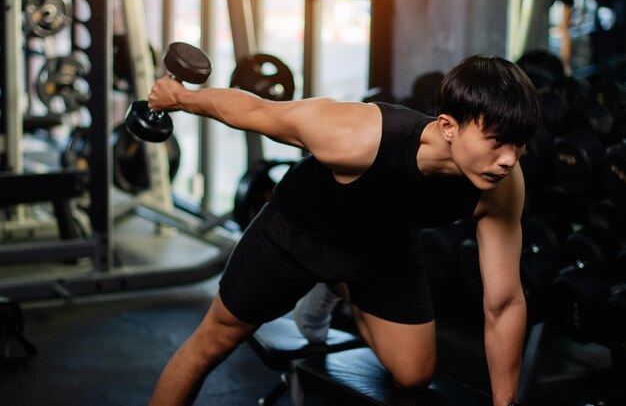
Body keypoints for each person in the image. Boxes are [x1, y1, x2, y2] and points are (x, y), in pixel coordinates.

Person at [145, 54, 541, 406]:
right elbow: (257, 111)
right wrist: (179, 98)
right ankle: (327, 283)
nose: (509, 159)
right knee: (213, 342)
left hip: (384, 249)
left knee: (414, 374)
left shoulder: (501, 187)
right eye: (497, 141)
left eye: (519, 144)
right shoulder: (357, 135)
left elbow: (504, 303)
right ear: (449, 126)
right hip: (298, 232)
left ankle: (337, 287)